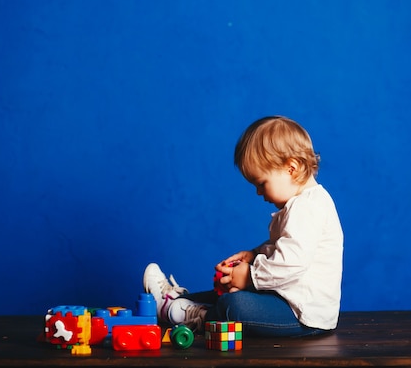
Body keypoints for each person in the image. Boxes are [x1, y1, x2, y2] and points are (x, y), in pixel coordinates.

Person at [143, 115, 344, 337]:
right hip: (289, 301)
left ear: (291, 168)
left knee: (235, 305)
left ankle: (190, 314)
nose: (259, 193)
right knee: (226, 294)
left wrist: (249, 276)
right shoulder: (301, 204)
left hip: (302, 315)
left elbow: (291, 264)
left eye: (261, 183)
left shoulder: (307, 207)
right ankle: (175, 303)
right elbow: (284, 247)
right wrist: (254, 254)